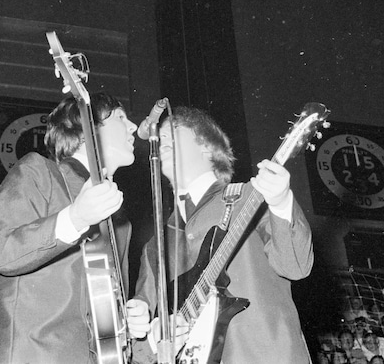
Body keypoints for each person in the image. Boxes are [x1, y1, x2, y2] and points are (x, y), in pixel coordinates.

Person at [0, 93, 149, 363]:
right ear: (86, 130)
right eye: (120, 118)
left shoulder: (120, 221)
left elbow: (104, 310)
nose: (134, 127)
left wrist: (130, 319)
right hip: (32, 355)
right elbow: (1, 253)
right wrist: (75, 218)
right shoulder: (38, 172)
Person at [135, 107, 315, 363]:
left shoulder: (251, 195)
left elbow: (295, 266)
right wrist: (153, 337)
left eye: (170, 133)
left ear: (206, 147)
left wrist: (282, 200)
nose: (160, 140)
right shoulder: (156, 246)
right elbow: (139, 352)